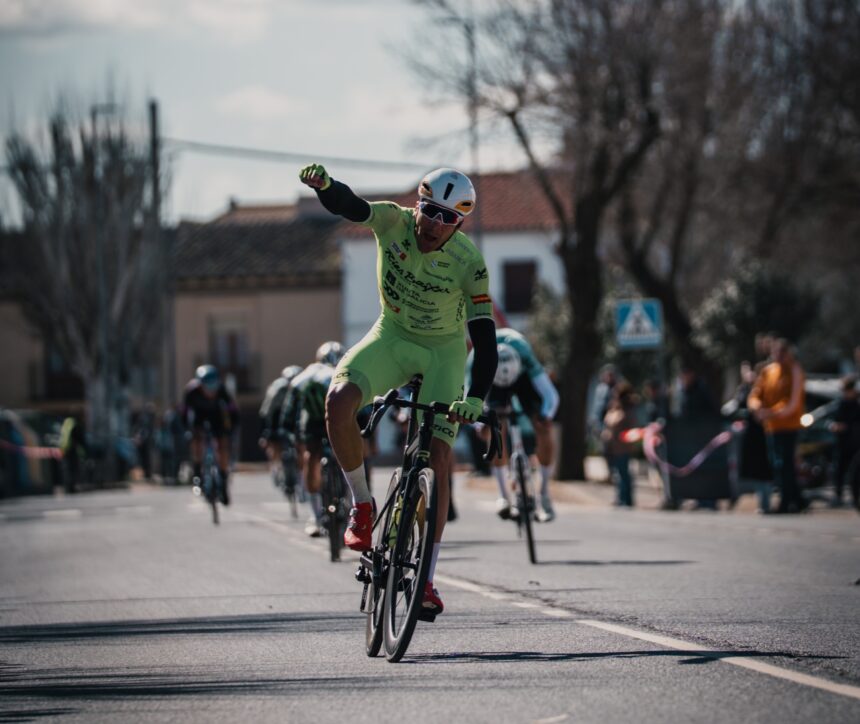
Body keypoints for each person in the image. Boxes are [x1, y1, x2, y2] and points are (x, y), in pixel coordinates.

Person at [299, 163, 498, 618]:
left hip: (443, 355)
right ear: (417, 206)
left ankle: (427, 579)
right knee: (339, 400)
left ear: (461, 222)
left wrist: (476, 398)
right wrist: (326, 187)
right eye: (429, 211)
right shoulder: (393, 221)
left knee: (441, 459)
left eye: (448, 218)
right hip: (390, 337)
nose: (434, 224)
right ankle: (363, 507)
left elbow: (485, 343)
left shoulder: (471, 264)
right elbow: (350, 206)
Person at [469, 329, 560, 522]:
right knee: (494, 429)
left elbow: (551, 396)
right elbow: (467, 400)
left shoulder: (525, 356)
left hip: (523, 382)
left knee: (543, 427)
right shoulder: (476, 360)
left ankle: (544, 493)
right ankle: (503, 495)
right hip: (491, 383)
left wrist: (546, 416)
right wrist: (479, 426)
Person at [289, 342, 345, 536]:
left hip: (321, 421)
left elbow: (293, 397)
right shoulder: (317, 375)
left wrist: (289, 428)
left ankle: (318, 514)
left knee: (314, 458)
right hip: (321, 420)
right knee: (318, 457)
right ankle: (316, 514)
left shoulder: (307, 374)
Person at [747, 339, 807, 514]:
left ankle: (786, 502)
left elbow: (792, 403)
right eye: (777, 353)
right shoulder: (768, 371)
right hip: (772, 427)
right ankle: (798, 499)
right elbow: (756, 394)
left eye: (783, 353)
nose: (780, 356)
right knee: (777, 464)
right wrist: (757, 407)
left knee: (785, 464)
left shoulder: (795, 370)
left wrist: (770, 412)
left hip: (789, 425)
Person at [181, 365, 239, 505]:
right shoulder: (191, 392)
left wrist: (231, 429)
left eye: (213, 387)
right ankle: (197, 473)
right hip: (199, 418)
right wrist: (187, 430)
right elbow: (184, 413)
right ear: (200, 385)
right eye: (207, 387)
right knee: (197, 442)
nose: (210, 392)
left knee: (223, 446)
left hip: (216, 417)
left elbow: (233, 411)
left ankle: (224, 483)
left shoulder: (222, 390)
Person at [722, 361, 772, 512]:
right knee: (753, 470)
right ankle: (759, 502)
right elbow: (735, 407)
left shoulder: (765, 389)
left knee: (765, 469)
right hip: (750, 435)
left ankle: (766, 502)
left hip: (766, 433)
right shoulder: (746, 390)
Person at [258, 364, 303, 488]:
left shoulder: (302, 389)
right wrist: (265, 434)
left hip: (294, 417)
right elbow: (266, 412)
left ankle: (300, 471)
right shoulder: (277, 389)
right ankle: (276, 466)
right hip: (276, 418)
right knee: (274, 442)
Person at [601, 383, 638, 507]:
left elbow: (614, 422)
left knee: (623, 473)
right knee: (619, 473)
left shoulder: (626, 410)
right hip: (615, 447)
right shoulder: (616, 408)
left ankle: (625, 499)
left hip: (622, 446)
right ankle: (621, 498)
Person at [828, 376, 860, 508]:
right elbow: (831, 419)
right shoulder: (840, 404)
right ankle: (838, 495)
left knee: (855, 473)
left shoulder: (857, 405)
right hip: (841, 443)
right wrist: (832, 425)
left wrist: (846, 426)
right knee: (839, 470)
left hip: (855, 444)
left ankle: (855, 498)